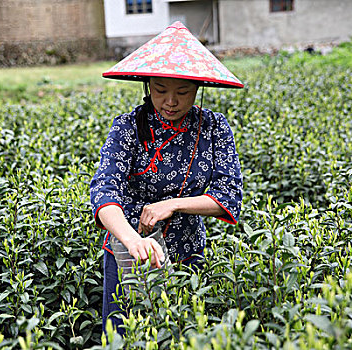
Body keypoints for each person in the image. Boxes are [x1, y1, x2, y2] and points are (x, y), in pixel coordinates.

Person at [89, 21, 244, 334]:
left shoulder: (214, 128)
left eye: (182, 92)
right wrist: (132, 239)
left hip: (187, 250)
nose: (170, 102)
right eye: (160, 91)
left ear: (197, 89)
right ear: (147, 86)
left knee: (183, 332)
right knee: (126, 334)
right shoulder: (127, 127)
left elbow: (228, 195)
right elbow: (104, 191)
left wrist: (173, 204)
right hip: (128, 251)